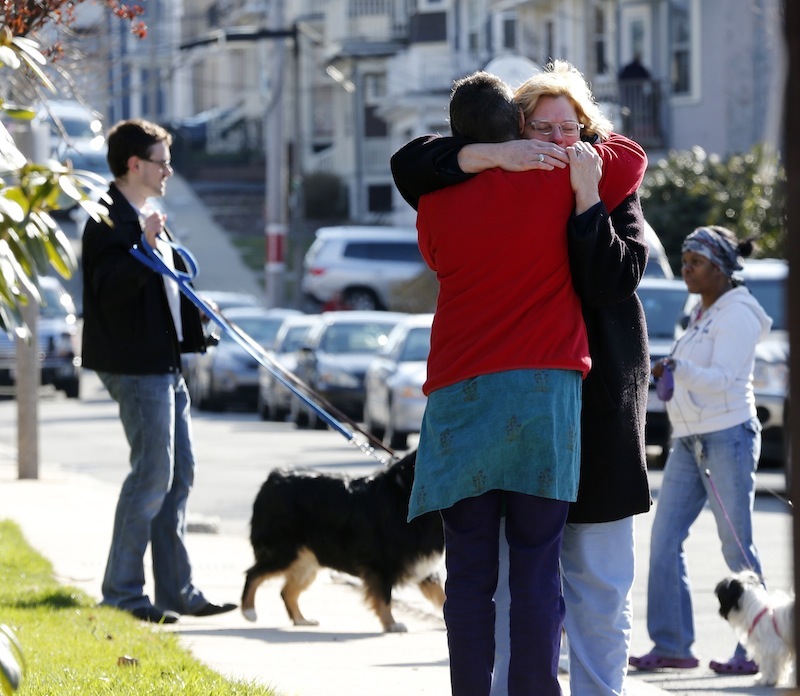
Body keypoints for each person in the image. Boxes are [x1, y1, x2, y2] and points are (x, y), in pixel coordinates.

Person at [391, 60, 652, 696]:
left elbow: (410, 169)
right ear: (517, 129)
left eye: (570, 127)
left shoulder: (435, 202)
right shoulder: (559, 180)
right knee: (537, 572)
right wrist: (545, 155)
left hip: (458, 394)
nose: (560, 139)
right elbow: (631, 158)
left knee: (471, 576)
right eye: (543, 127)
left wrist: (491, 155)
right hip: (543, 391)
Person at [81, 119, 237, 623]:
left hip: (166, 363)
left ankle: (177, 591)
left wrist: (197, 320)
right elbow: (109, 290)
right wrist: (144, 246)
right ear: (134, 164)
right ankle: (122, 594)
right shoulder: (107, 219)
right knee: (152, 475)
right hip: (134, 365)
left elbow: (166, 285)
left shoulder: (148, 215)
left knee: (178, 475)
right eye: (161, 161)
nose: (169, 170)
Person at [629, 226, 770, 675]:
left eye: (695, 262)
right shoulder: (700, 309)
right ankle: (672, 645)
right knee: (665, 539)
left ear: (722, 268)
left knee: (737, 549)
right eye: (684, 260)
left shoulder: (740, 313)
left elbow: (722, 380)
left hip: (727, 436)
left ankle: (757, 650)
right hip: (689, 441)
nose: (686, 269)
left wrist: (678, 366)